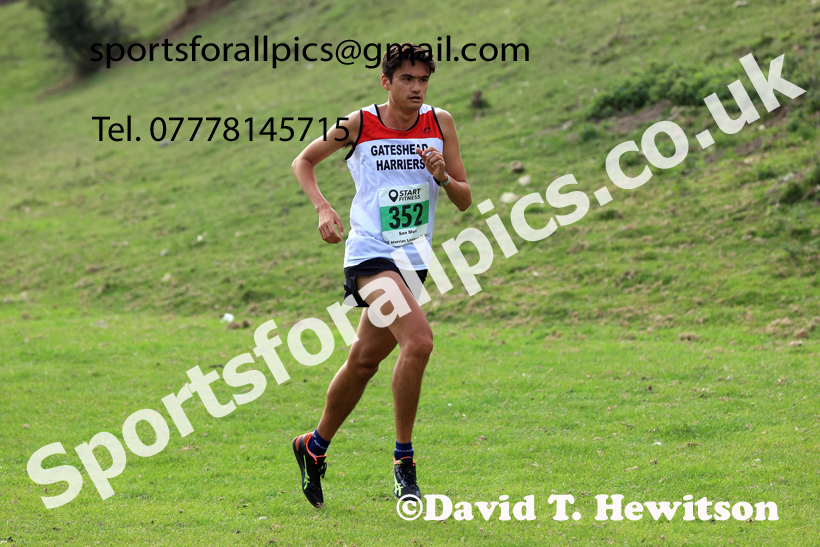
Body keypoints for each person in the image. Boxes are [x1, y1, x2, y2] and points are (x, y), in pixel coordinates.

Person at [289, 43, 471, 508]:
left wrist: (443, 177)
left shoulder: (440, 123)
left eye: (423, 79)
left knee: (364, 362)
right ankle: (403, 463)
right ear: (386, 82)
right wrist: (323, 208)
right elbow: (303, 161)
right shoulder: (358, 124)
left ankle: (313, 446)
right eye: (406, 79)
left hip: (414, 260)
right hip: (370, 257)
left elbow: (465, 198)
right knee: (420, 342)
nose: (416, 87)